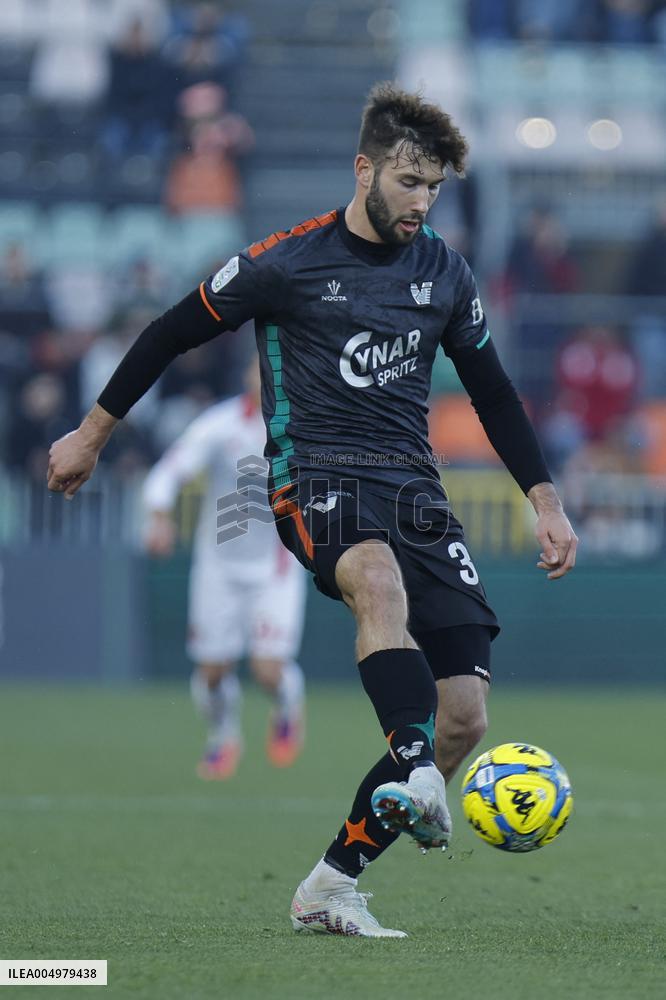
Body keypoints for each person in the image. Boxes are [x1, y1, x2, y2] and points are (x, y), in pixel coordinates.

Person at [47, 83, 577, 939]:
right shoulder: (286, 262)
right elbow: (169, 332)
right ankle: (416, 770)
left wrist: (545, 501)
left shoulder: (443, 270)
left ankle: (330, 884)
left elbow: (494, 392)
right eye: (408, 181)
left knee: (465, 717)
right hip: (313, 478)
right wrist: (91, 433)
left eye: (434, 186)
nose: (422, 202)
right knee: (374, 581)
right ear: (363, 169)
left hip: (417, 493)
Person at [142, 357, 306, 778]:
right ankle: (224, 737)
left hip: (276, 567)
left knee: (268, 671)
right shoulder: (221, 424)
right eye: (260, 370)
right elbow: (168, 472)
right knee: (213, 671)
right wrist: (159, 516)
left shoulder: (305, 426)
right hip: (218, 566)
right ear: (248, 375)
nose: (267, 378)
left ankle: (288, 707)